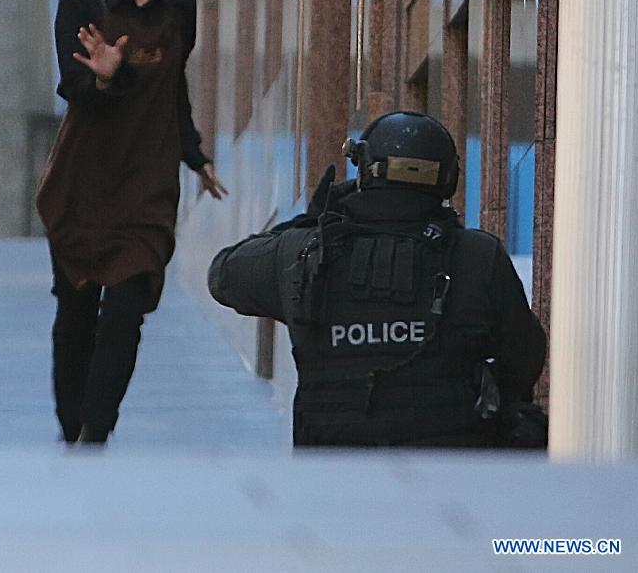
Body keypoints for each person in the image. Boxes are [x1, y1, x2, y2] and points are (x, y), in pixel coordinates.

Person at [208, 111, 547, 448]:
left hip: (331, 470)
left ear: (364, 169)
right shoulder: (478, 256)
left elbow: (224, 275)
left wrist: (310, 222)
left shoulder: (307, 251)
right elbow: (524, 354)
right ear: (448, 179)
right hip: (453, 464)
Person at [37, 0, 227, 445]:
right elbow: (78, 93)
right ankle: (71, 426)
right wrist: (104, 75)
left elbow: (173, 86)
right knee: (77, 312)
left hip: (147, 180)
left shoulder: (177, 0)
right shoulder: (80, 3)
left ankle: (96, 432)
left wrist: (194, 153)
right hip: (84, 178)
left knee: (125, 310)